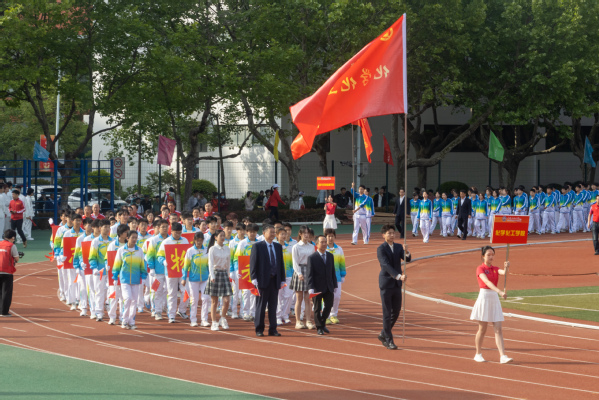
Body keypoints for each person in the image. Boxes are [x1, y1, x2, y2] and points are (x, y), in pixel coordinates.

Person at [470, 246, 513, 364]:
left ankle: (502, 356)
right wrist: (499, 291)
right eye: (488, 255)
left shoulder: (495, 268)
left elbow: (503, 273)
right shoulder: (480, 268)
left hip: (494, 298)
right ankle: (478, 354)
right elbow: (487, 282)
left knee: (498, 328)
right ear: (483, 256)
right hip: (484, 297)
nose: (491, 257)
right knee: (482, 329)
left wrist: (506, 267)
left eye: (492, 255)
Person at [376, 224, 411, 350]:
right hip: (386, 284)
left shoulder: (398, 246)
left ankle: (383, 334)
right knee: (387, 313)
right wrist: (398, 276)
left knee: (396, 311)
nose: (392, 235)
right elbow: (385, 265)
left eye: (393, 233)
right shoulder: (381, 249)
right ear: (383, 235)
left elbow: (407, 260)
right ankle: (389, 340)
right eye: (389, 233)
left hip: (396, 285)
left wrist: (406, 252)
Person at [249, 224, 286, 337]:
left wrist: (282, 279)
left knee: (273, 306)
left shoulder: (278, 246)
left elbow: (280, 263)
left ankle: (273, 329)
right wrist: (254, 278)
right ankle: (259, 329)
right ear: (264, 233)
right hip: (262, 280)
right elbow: (253, 263)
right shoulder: (257, 246)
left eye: (274, 232)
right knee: (261, 306)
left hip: (274, 280)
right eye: (271, 232)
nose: (273, 234)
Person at [112, 230, 146, 330]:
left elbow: (142, 264)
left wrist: (144, 276)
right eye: (132, 237)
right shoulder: (121, 250)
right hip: (125, 279)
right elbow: (117, 264)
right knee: (127, 299)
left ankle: (131, 321)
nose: (134, 239)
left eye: (136, 238)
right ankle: (124, 320)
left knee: (134, 300)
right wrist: (115, 276)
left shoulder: (139, 250)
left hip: (136, 279)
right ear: (127, 238)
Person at [156, 222, 189, 323]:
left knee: (186, 291)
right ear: (172, 232)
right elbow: (159, 256)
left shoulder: (185, 240)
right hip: (171, 271)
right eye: (176, 233)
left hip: (183, 271)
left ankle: (182, 310)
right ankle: (171, 315)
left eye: (179, 233)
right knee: (172, 293)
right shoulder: (166, 242)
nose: (178, 235)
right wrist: (164, 261)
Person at [306, 235, 337, 335]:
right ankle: (319, 327)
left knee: (329, 305)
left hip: (328, 286)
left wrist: (335, 284)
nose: (324, 244)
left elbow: (332, 271)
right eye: (322, 242)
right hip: (317, 287)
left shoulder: (330, 256)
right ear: (316, 244)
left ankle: (322, 323)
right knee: (317, 308)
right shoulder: (312, 257)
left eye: (325, 242)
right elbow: (309, 274)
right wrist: (310, 287)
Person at [204, 230, 233, 331]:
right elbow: (210, 264)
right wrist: (212, 276)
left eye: (224, 235)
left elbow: (228, 263)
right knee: (214, 301)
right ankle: (214, 322)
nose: (223, 237)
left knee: (226, 299)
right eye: (221, 236)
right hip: (215, 274)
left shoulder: (227, 249)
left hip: (224, 274)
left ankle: (223, 318)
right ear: (215, 237)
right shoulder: (212, 249)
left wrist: (228, 275)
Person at [181, 232, 211, 327]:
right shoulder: (190, 251)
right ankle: (193, 319)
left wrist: (211, 275)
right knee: (194, 300)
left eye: (201, 240)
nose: (199, 242)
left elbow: (209, 264)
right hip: (193, 279)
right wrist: (184, 278)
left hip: (205, 278)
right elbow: (186, 266)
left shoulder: (206, 250)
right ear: (194, 240)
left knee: (205, 298)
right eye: (197, 240)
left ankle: (204, 320)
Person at [289, 226, 315, 330]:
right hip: (299, 271)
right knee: (299, 298)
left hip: (309, 271)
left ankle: (308, 321)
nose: (306, 235)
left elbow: (312, 260)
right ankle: (298, 321)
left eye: (308, 233)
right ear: (300, 234)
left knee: (308, 299)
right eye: (304, 233)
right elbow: (295, 262)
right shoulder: (296, 246)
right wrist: (299, 273)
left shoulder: (311, 246)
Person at [324, 229, 346, 324]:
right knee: (326, 297)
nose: (330, 238)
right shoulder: (323, 249)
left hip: (337, 277)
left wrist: (343, 275)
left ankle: (334, 314)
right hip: (325, 278)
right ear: (325, 237)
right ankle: (326, 316)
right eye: (328, 236)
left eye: (332, 236)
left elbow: (342, 262)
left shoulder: (339, 249)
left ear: (334, 237)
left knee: (337, 296)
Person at [0, 229, 20, 317]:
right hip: (7, 271)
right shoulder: (12, 246)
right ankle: (4, 311)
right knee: (6, 292)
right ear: (12, 237)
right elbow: (16, 258)